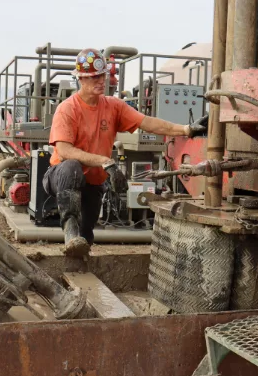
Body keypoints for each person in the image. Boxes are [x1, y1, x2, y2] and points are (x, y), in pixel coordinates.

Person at [44, 48, 205, 256]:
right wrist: (105, 161)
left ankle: (79, 260)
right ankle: (69, 232)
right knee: (71, 168)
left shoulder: (113, 106)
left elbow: (148, 123)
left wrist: (186, 129)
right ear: (81, 79)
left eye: (102, 75)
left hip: (92, 182)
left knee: (86, 235)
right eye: (94, 77)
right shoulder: (68, 108)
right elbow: (64, 151)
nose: (101, 81)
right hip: (61, 176)